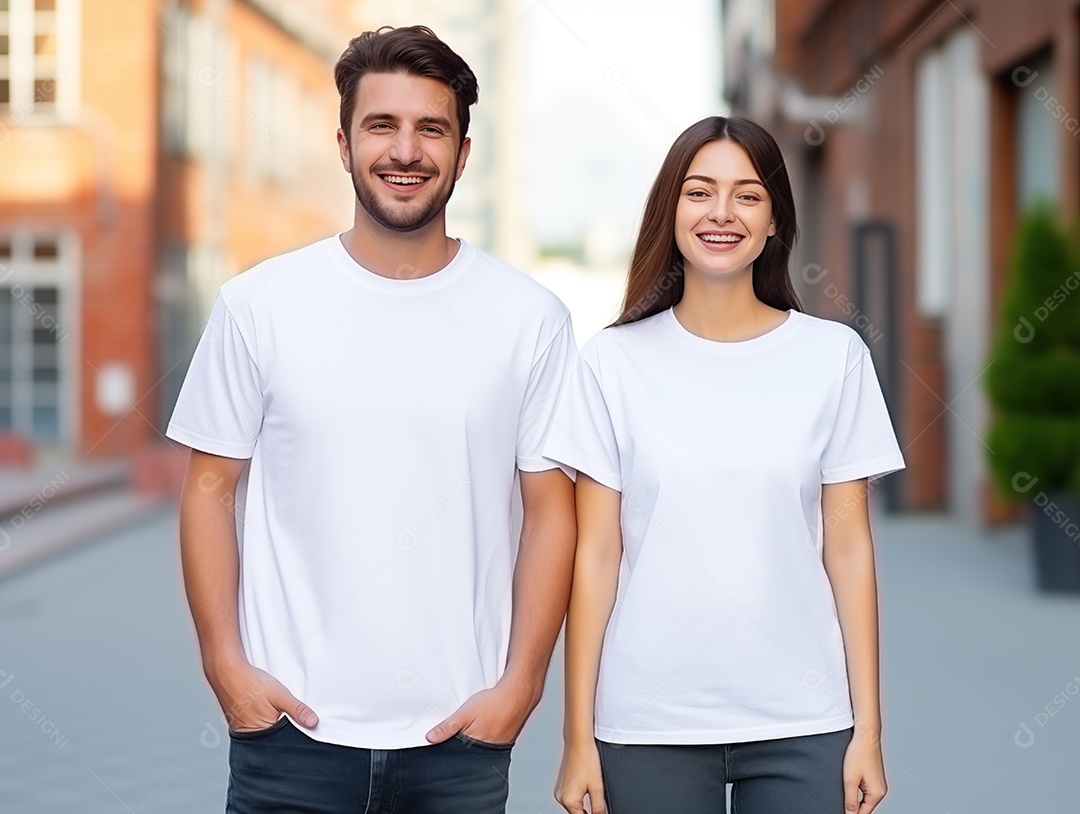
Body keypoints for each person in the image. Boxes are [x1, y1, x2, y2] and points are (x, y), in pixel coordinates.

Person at [167, 25, 576, 814]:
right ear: (344, 144)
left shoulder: (530, 318)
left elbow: (552, 513)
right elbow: (208, 489)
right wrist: (225, 666)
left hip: (460, 745)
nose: (405, 151)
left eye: (432, 129)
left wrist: (522, 686)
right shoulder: (258, 306)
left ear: (464, 153)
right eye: (381, 125)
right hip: (289, 737)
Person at [546, 116, 905, 814]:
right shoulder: (612, 363)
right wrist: (576, 738)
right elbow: (596, 554)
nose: (721, 213)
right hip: (647, 722)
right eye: (699, 192)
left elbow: (849, 547)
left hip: (803, 719)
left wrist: (869, 730)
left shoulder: (832, 358)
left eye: (747, 195)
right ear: (670, 211)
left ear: (775, 221)